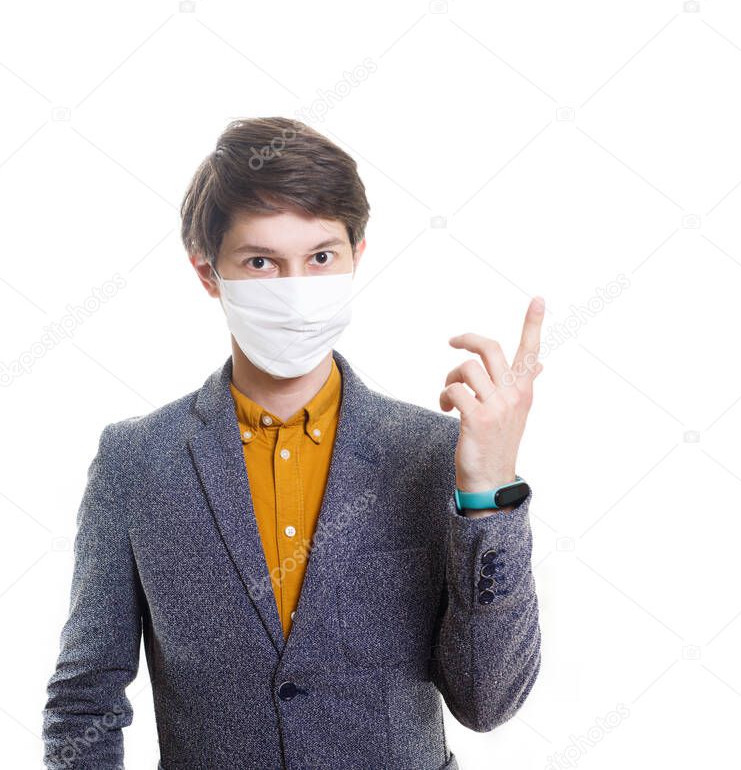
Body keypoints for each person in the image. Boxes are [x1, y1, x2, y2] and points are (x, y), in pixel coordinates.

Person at [42, 116, 545, 770]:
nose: (296, 289)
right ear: (207, 272)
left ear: (357, 256)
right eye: (260, 262)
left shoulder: (430, 452)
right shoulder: (136, 462)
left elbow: (490, 703)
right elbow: (85, 696)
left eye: (320, 257)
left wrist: (489, 494)